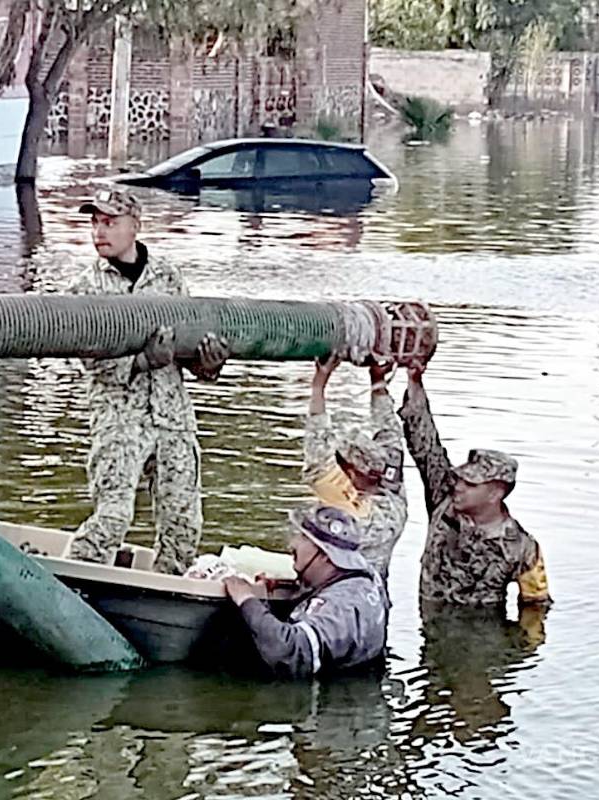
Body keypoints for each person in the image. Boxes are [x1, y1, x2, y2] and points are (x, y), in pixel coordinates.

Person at [66, 188, 230, 575]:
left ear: (135, 227)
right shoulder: (84, 289)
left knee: (183, 524)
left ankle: (169, 596)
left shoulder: (168, 276)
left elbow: (188, 351)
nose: (99, 232)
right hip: (120, 419)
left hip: (173, 418)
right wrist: (140, 361)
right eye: (95, 222)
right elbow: (87, 361)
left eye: (110, 222)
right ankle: (71, 584)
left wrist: (209, 364)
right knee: (112, 518)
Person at [399, 360, 552, 608]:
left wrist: (517, 646)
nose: (458, 486)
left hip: (486, 639)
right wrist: (415, 381)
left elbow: (536, 608)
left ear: (495, 492)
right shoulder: (443, 501)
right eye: (459, 479)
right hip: (435, 635)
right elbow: (426, 447)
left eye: (470, 483)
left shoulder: (523, 548)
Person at [222, 504, 391, 678]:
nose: (292, 543)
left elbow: (291, 652)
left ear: (326, 554)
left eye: (303, 537)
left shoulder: (342, 605)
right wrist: (285, 592)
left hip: (329, 699)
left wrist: (246, 599)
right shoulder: (365, 581)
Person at [303, 356, 408, 575]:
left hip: (340, 592)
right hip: (376, 594)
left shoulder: (346, 508)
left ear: (349, 472)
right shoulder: (394, 500)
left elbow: (317, 454)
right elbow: (390, 433)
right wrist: (377, 382)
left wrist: (319, 383)